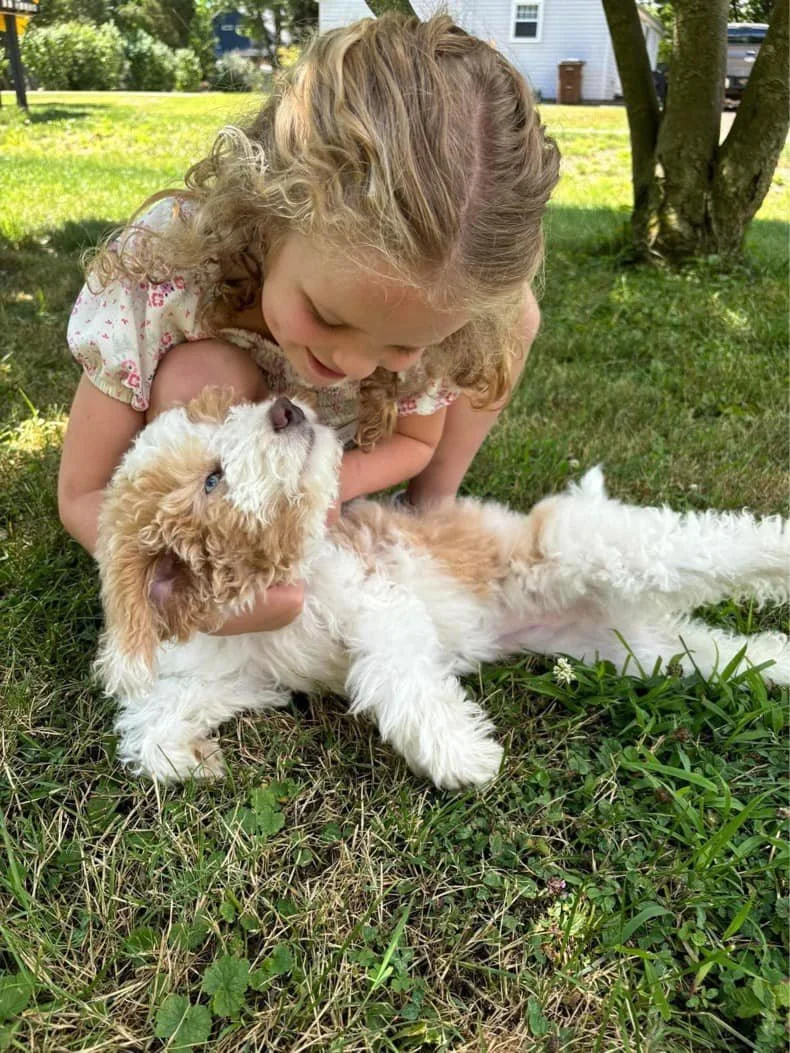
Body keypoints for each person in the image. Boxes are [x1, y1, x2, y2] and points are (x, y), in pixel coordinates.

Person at [58, 12, 560, 635]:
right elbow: (82, 492)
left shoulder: (441, 312)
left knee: (512, 320)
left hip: (332, 453)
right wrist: (168, 586)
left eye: (403, 344)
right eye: (326, 316)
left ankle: (432, 506)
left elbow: (416, 440)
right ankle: (222, 529)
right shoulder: (163, 273)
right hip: (238, 467)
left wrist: (326, 489)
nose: (353, 364)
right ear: (267, 209)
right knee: (205, 369)